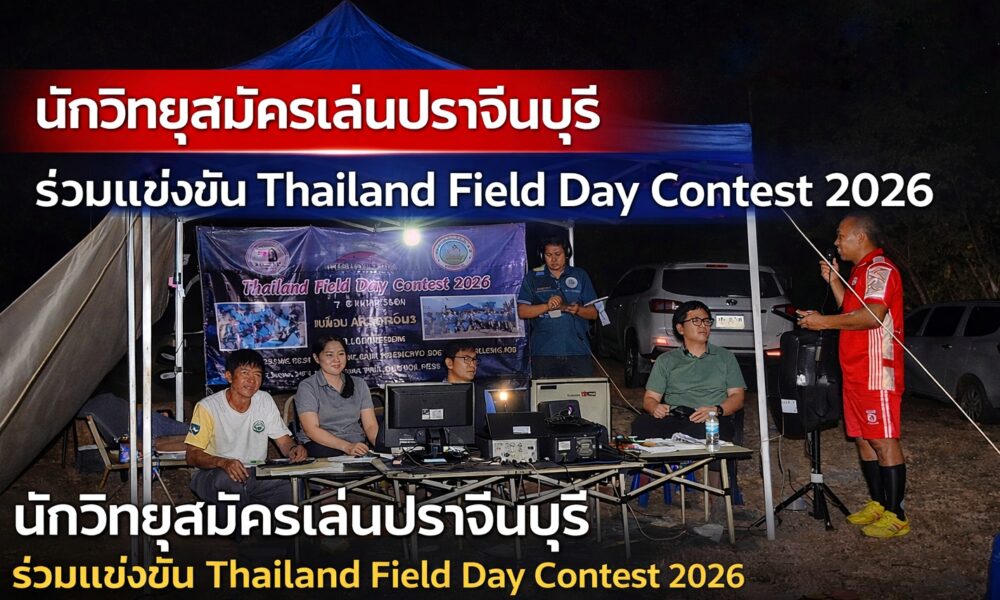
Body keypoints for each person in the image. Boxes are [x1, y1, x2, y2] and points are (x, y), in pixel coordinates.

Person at [798, 213, 909, 538]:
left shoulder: (880, 269)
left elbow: (872, 316)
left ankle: (897, 515)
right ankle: (879, 504)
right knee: (863, 438)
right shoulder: (860, 272)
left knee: (882, 439)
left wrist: (823, 322)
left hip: (876, 370)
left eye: (840, 235)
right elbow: (850, 312)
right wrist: (834, 281)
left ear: (860, 236)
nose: (836, 242)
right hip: (855, 370)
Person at [185, 349, 307, 509]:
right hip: (212, 472)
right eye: (245, 373)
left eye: (257, 375)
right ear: (229, 376)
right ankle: (236, 525)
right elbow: (192, 455)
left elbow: (283, 441)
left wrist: (293, 450)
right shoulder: (208, 407)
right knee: (229, 482)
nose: (251, 380)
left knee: (291, 486)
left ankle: (280, 525)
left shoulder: (264, 400)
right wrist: (223, 462)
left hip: (254, 472)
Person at [631, 301, 746, 442]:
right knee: (641, 425)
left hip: (710, 419)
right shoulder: (666, 360)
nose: (703, 325)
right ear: (681, 328)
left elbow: (738, 397)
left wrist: (716, 410)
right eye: (696, 321)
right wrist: (655, 407)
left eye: (707, 321)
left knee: (704, 431)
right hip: (676, 417)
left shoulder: (725, 357)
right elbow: (650, 398)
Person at [517, 236, 598, 377]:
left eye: (558, 254)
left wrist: (578, 310)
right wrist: (546, 306)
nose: (553, 259)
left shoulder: (580, 275)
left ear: (566, 254)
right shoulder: (533, 277)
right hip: (544, 353)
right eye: (549, 255)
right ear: (542, 256)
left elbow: (594, 313)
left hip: (578, 351)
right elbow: (522, 311)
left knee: (580, 390)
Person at [295, 336, 378, 458]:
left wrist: (383, 449)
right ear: (316, 358)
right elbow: (311, 429)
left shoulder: (359, 384)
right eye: (329, 355)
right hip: (322, 447)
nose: (336, 360)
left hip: (356, 445)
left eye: (341, 354)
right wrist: (346, 447)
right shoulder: (307, 387)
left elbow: (371, 426)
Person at [80, 392, 189, 452]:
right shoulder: (103, 402)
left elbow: (117, 440)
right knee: (190, 431)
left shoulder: (90, 407)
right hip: (140, 423)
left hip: (136, 427)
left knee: (187, 432)